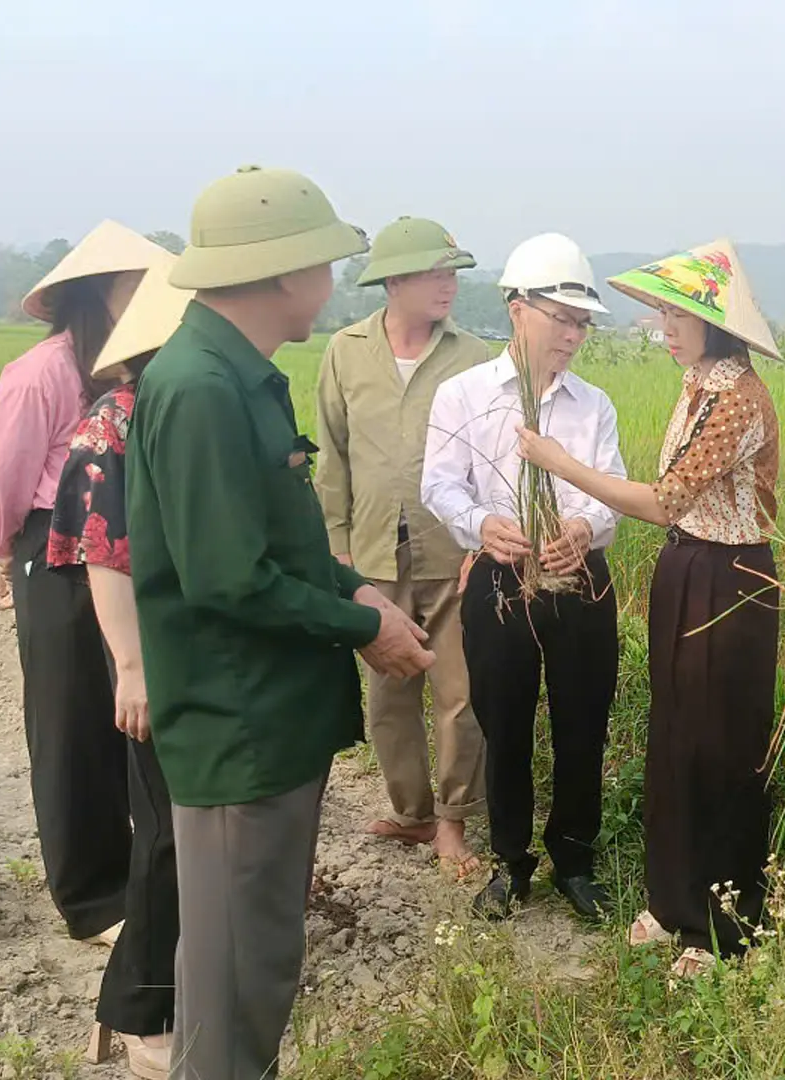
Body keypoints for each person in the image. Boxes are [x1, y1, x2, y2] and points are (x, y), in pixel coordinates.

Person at [124, 165, 435, 1080]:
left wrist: (357, 589)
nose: (333, 283)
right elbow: (228, 580)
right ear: (282, 273)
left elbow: (275, 545)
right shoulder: (202, 390)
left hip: (264, 726)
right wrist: (360, 627)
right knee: (235, 978)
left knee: (244, 964)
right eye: (326, 263)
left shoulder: (238, 378)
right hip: (238, 728)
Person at [516, 239, 783, 977]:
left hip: (730, 582)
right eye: (661, 312)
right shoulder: (698, 382)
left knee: (720, 745)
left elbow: (664, 499)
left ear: (713, 323)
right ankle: (672, 903)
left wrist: (561, 463)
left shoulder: (737, 398)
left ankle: (722, 927)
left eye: (676, 313)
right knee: (675, 735)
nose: (663, 326)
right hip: (686, 566)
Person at [0, 220, 170, 948]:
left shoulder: (143, 372)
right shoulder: (44, 373)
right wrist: (1, 556)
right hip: (55, 555)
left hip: (130, 553)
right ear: (102, 293)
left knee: (137, 723)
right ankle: (92, 898)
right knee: (71, 723)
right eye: (138, 286)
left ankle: (150, 884)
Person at [420, 232, 625, 924]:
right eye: (560, 318)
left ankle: (574, 857)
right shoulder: (463, 395)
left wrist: (581, 529)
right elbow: (440, 485)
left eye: (582, 323)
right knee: (502, 720)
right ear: (516, 308)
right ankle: (510, 860)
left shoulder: (592, 406)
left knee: (582, 720)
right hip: (500, 575)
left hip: (578, 576)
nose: (573, 335)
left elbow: (609, 488)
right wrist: (481, 525)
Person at [47, 263, 195, 1079]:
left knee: (189, 825)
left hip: (206, 650)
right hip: (154, 651)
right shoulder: (115, 423)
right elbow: (104, 553)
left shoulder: (189, 411)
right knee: (169, 829)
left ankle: (156, 986)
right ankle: (142, 1007)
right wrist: (132, 666)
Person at [315, 217, 493, 874]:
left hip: (454, 553)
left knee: (458, 690)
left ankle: (453, 820)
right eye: (434, 273)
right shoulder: (346, 351)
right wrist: (335, 548)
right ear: (394, 281)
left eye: (452, 272)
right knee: (388, 694)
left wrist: (488, 537)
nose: (448, 284)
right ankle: (411, 812)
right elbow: (332, 459)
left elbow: (493, 460)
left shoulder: (473, 357)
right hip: (370, 554)